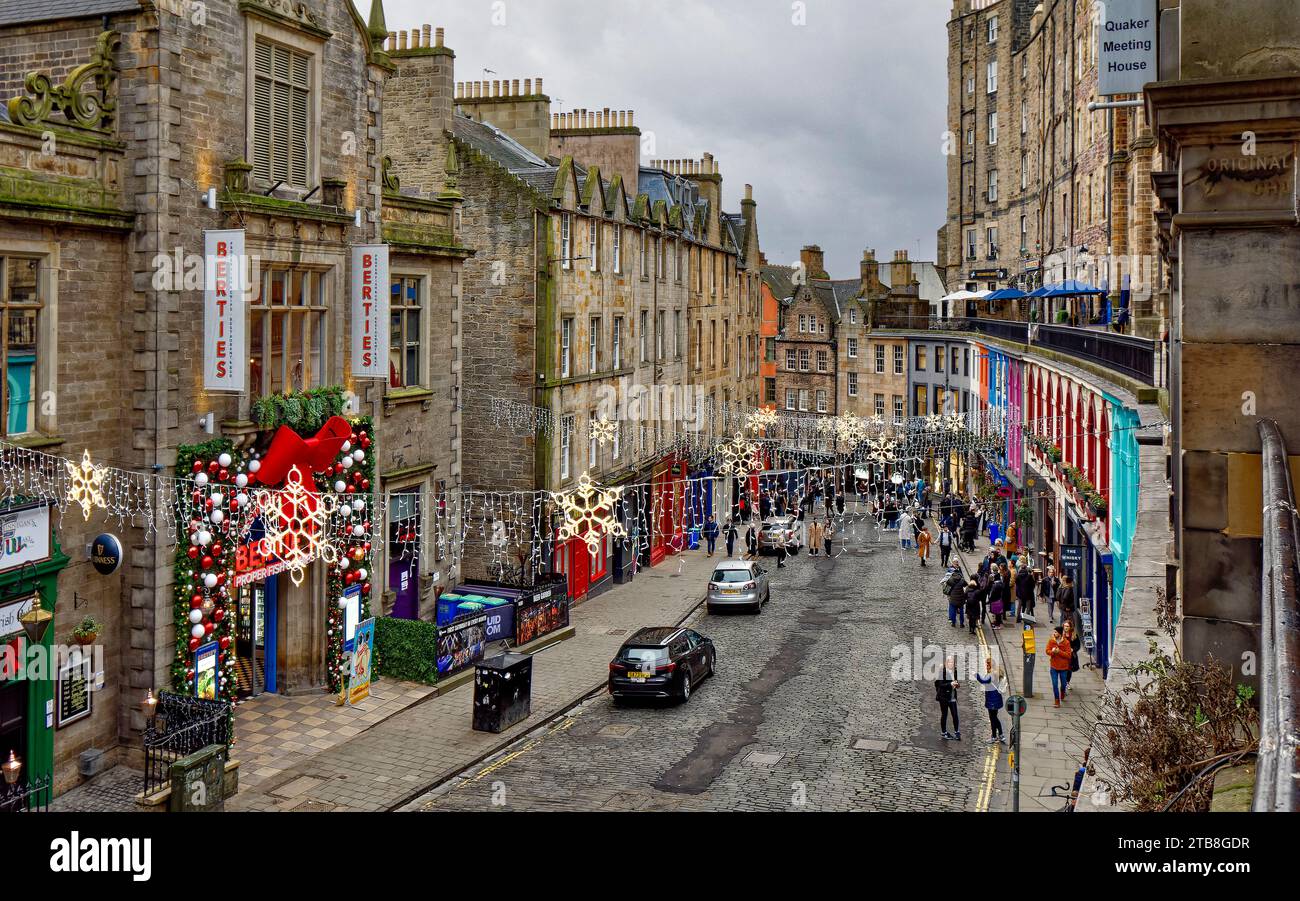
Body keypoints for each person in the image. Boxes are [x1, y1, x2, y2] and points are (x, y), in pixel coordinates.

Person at [976, 658, 1007, 744]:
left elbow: (983, 681)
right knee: (994, 717)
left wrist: (976, 675)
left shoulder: (992, 674)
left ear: (989, 665)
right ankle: (1001, 735)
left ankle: (994, 736)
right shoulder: (996, 672)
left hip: (992, 699)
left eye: (986, 664)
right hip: (996, 698)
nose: (985, 666)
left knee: (993, 718)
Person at [935, 656, 961, 741]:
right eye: (949, 662)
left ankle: (957, 732)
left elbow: (956, 681)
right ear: (946, 663)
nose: (951, 664)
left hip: (952, 697)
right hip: (944, 697)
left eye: (952, 662)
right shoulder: (943, 672)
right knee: (944, 714)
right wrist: (950, 684)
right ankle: (944, 732)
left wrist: (957, 685)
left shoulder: (955, 671)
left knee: (955, 715)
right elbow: (940, 685)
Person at [1046, 625, 1073, 707]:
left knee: (1063, 684)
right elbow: (1047, 651)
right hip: (1054, 666)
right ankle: (1057, 700)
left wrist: (1059, 652)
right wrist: (1052, 652)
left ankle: (1062, 692)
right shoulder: (1051, 641)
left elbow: (1068, 655)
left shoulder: (1066, 643)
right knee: (1054, 684)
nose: (1054, 633)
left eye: (1055, 632)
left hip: (1063, 668)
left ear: (1060, 634)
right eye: (1054, 632)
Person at [1063, 619, 1082, 694]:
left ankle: (1067, 682)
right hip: (1062, 655)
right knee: (1063, 670)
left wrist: (1073, 649)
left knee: (1069, 670)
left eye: (1067, 626)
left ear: (1070, 627)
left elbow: (1078, 646)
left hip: (1070, 656)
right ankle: (1063, 682)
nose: (1066, 628)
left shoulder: (1074, 635)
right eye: (1064, 626)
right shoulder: (1061, 634)